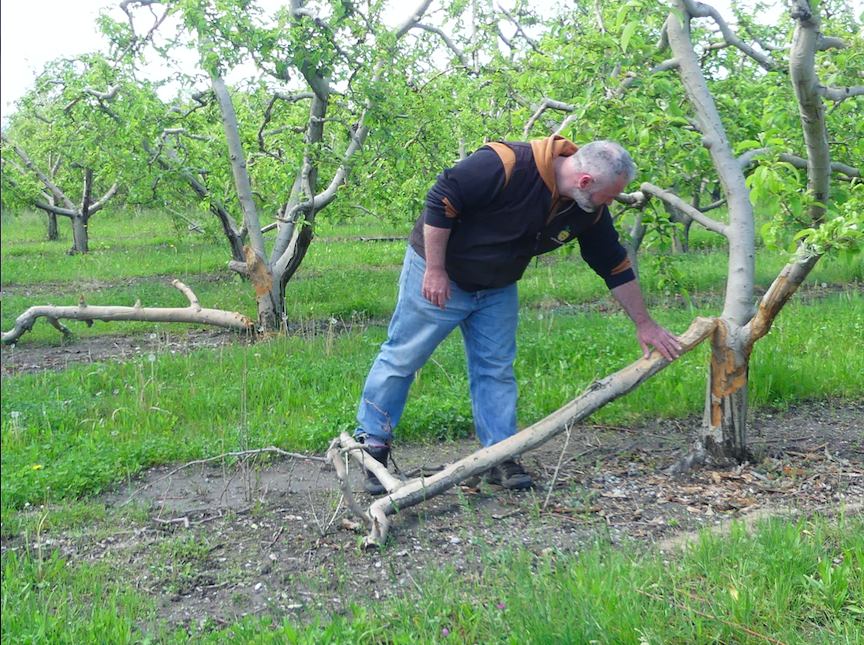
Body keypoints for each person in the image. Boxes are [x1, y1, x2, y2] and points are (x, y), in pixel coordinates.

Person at [354, 134, 681, 494]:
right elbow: (441, 200)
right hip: (440, 271)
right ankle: (372, 449)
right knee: (403, 357)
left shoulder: (587, 208)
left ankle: (500, 455)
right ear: (586, 181)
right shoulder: (506, 163)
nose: (610, 203)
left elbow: (612, 262)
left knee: (495, 368)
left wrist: (645, 323)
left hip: (497, 286)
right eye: (608, 195)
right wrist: (434, 269)